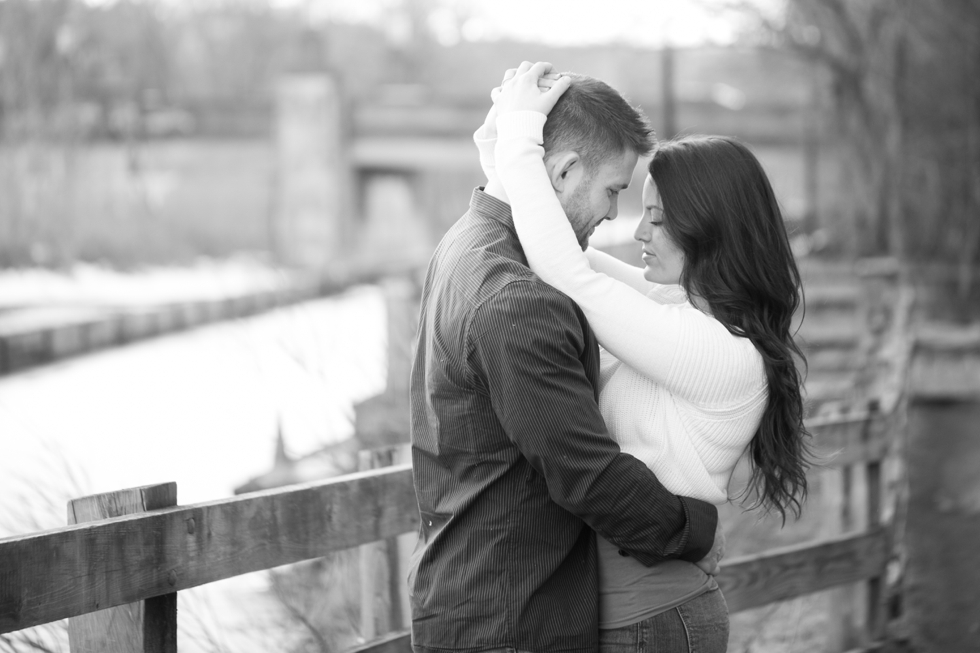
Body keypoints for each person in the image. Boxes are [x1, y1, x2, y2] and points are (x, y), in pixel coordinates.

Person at [477, 62, 811, 653]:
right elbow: (555, 249)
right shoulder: (679, 312)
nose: (637, 233)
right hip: (633, 614)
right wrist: (503, 142)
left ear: (707, 229)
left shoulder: (718, 352)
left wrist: (523, 137)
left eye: (657, 219)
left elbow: (569, 276)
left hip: (654, 620)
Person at [408, 63, 725, 653]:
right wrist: (698, 530)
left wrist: (505, 139)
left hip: (467, 598)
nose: (611, 215)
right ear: (562, 169)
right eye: (612, 190)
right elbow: (589, 477)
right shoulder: (518, 298)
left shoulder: (464, 244)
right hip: (517, 618)